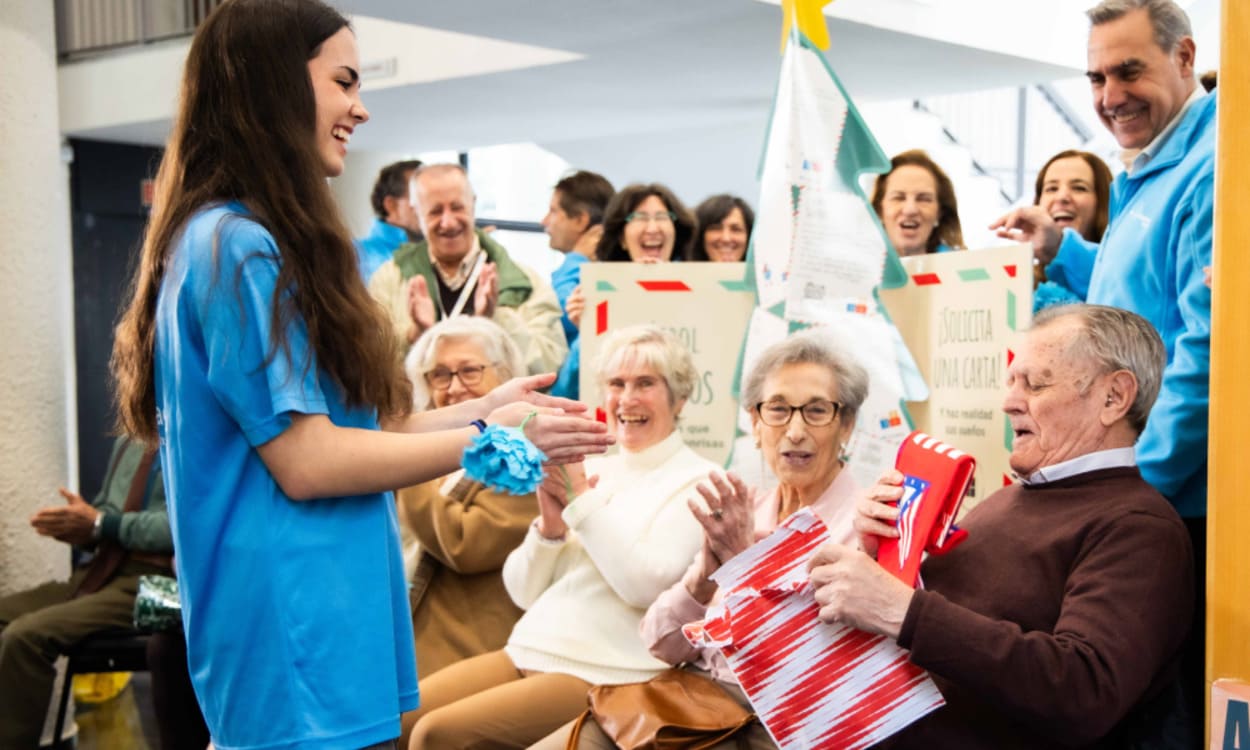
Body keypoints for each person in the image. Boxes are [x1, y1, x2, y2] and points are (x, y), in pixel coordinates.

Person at [109, 2, 611, 747]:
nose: (361, 107)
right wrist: (487, 431)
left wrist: (492, 406)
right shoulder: (238, 248)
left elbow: (356, 431)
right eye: (343, 82)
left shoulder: (238, 241)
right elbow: (310, 463)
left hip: (325, 626)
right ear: (275, 86)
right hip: (294, 633)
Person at [808, 304, 1193, 748]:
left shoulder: (1140, 528)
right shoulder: (1013, 497)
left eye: (1035, 383)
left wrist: (902, 610)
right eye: (1011, 381)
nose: (1009, 401)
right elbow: (940, 629)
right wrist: (878, 556)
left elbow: (1086, 690)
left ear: (1113, 398)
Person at [989, 0, 1212, 725]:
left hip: (1177, 510)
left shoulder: (1213, 172)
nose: (1109, 96)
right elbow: (1132, 306)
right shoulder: (1152, 166)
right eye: (1094, 77)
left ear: (1184, 60)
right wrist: (1063, 250)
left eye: (1129, 71)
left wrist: (1134, 487)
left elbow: (1203, 355)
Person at [544, 330, 870, 750]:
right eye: (778, 410)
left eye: (816, 411)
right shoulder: (743, 507)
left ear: (847, 425)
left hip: (775, 723)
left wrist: (741, 566)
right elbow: (660, 641)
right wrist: (702, 581)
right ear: (755, 423)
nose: (794, 430)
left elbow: (828, 675)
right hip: (688, 701)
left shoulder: (866, 524)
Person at [404, 325, 717, 750]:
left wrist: (581, 501)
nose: (627, 399)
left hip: (606, 671)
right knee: (399, 720)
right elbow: (521, 592)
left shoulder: (701, 480)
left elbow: (645, 586)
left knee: (437, 736)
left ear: (679, 399)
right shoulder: (598, 468)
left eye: (646, 383)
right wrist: (549, 531)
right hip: (529, 649)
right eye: (616, 384)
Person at [0, 436, 171, 748]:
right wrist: (79, 527)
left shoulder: (191, 433)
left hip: (152, 581)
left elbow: (178, 529)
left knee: (25, 637)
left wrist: (102, 524)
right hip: (100, 570)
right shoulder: (131, 436)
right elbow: (105, 511)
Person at [398, 316, 538, 678]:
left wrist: (406, 465)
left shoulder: (523, 450)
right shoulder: (434, 446)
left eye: (470, 371)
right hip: (402, 642)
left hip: (467, 654)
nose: (455, 387)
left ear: (505, 375)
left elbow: (466, 543)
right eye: (440, 375)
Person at [368, 164, 568, 374]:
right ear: (417, 213)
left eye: (457, 207)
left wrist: (496, 320)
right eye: (435, 211)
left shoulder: (524, 281)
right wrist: (414, 334)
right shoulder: (389, 280)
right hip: (423, 408)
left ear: (473, 204)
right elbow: (372, 367)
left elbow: (548, 367)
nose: (448, 222)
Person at [541, 170, 615, 399]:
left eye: (554, 211)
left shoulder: (603, 275)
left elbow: (558, 311)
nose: (544, 221)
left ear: (581, 220)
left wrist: (577, 257)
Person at [1030, 150, 1113, 300]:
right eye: (1052, 188)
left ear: (1102, 201)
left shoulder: (1119, 276)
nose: (1061, 197)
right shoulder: (1021, 286)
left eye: (1079, 188)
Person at [871, 149, 964, 256]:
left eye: (923, 199)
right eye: (898, 198)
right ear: (879, 210)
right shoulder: (855, 267)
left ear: (939, 213)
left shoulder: (960, 266)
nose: (910, 210)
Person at [356, 158, 423, 284]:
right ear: (391, 205)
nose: (431, 206)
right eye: (420, 197)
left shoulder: (436, 256)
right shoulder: (354, 255)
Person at [595, 183, 696, 264]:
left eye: (661, 217)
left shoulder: (699, 285)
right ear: (621, 238)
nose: (652, 229)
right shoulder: (600, 285)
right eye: (640, 218)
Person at [690, 194, 755, 263]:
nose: (726, 238)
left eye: (735, 229)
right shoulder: (681, 273)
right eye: (716, 228)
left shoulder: (762, 272)